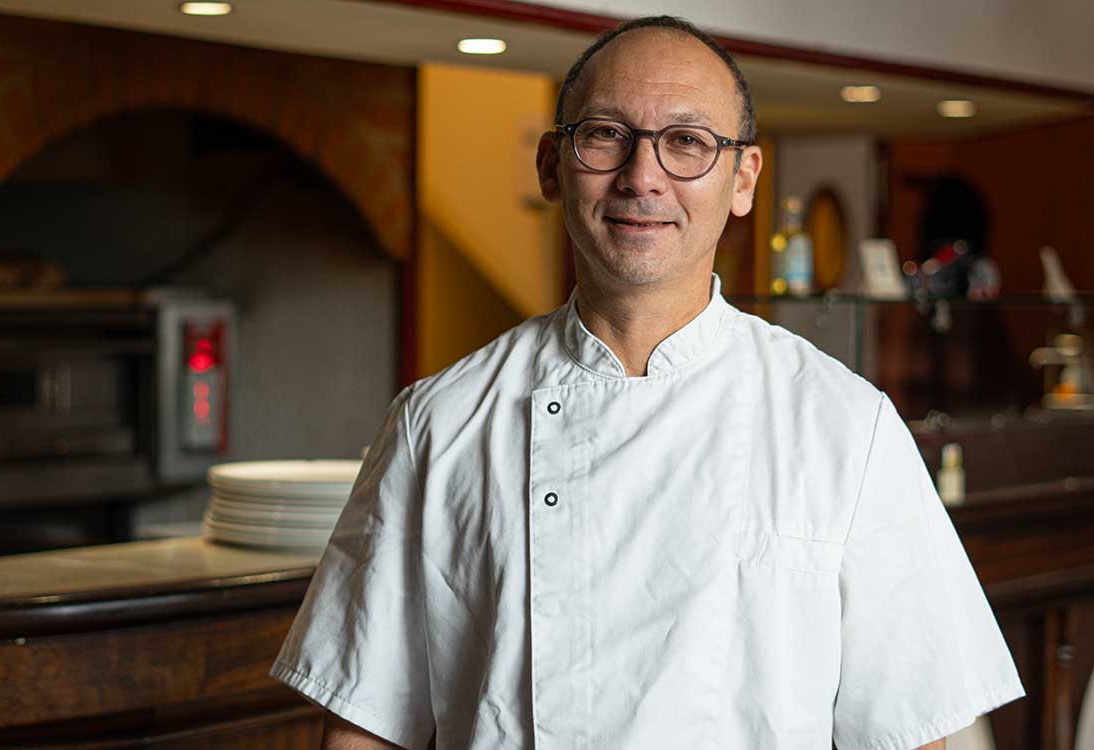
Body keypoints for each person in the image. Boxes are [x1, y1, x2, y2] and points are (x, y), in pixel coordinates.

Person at [272, 15, 1024, 750]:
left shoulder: (848, 428)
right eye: (605, 136)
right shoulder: (437, 421)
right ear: (550, 165)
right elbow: (366, 727)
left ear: (743, 179)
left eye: (688, 143)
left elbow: (912, 733)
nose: (643, 177)